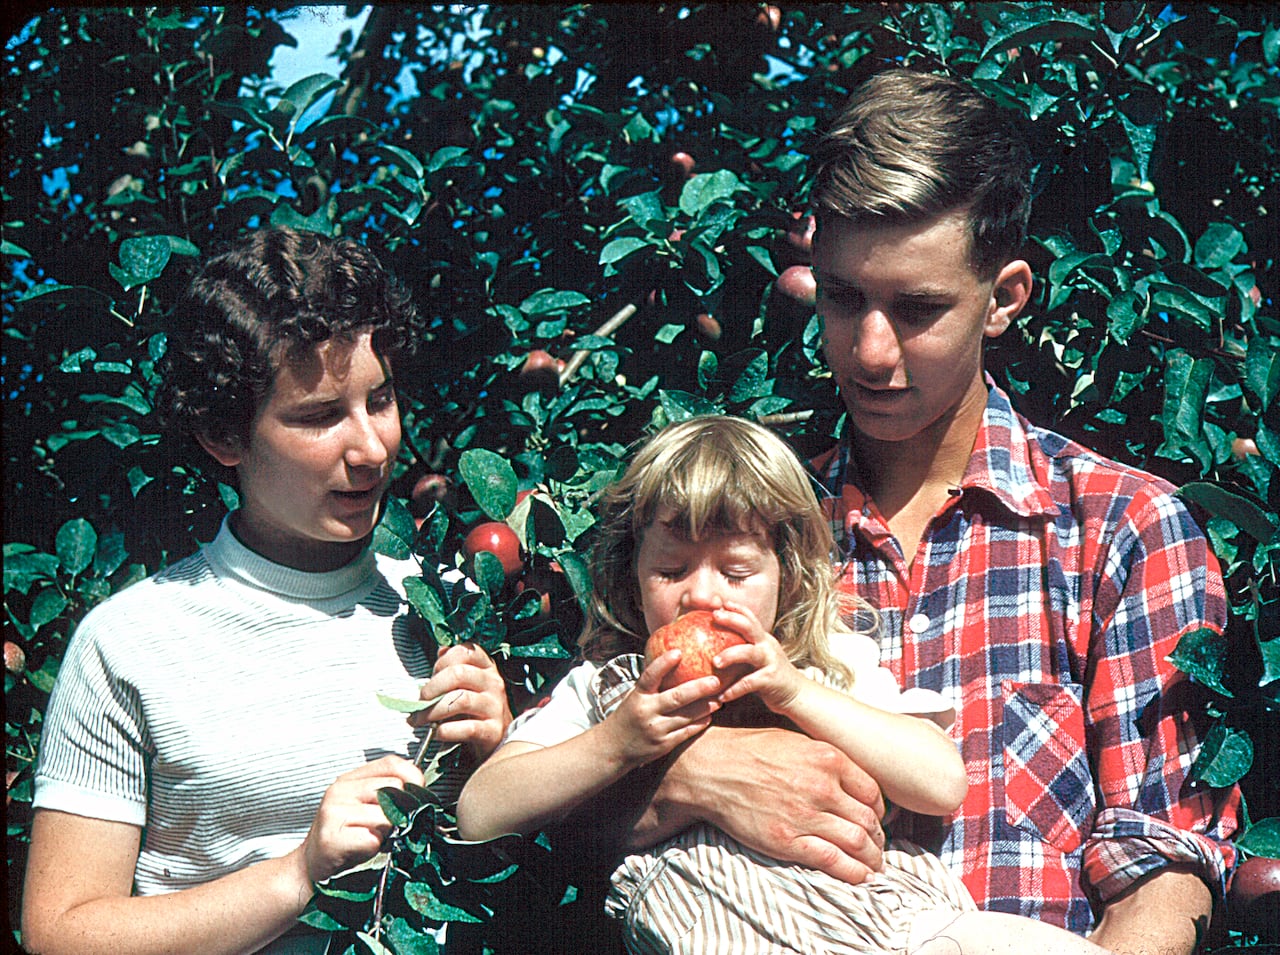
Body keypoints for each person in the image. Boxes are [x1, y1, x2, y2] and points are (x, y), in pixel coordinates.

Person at [580, 69, 1239, 955]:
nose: (870, 350)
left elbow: (1166, 866)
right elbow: (565, 819)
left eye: (919, 308)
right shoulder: (747, 538)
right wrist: (694, 779)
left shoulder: (1124, 531)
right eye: (844, 298)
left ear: (1004, 297)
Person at [457, 415, 1124, 955]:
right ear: (632, 574)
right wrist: (618, 741)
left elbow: (941, 780)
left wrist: (797, 693)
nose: (702, 595)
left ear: (787, 573)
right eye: (672, 570)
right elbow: (480, 811)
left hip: (897, 927)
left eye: (735, 572)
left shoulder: (823, 668)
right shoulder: (608, 689)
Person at [21, 228, 513, 955]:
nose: (372, 447)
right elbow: (61, 933)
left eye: (379, 400)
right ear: (224, 436)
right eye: (320, 416)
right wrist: (298, 873)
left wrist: (501, 759)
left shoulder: (447, 606)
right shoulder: (128, 644)